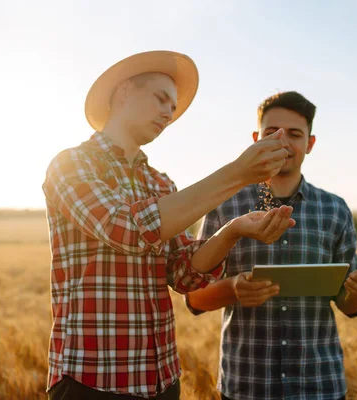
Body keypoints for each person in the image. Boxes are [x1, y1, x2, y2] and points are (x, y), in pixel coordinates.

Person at [42, 50, 296, 400]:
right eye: (161, 99)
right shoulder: (71, 164)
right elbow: (126, 229)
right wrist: (237, 174)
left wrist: (232, 230)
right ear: (124, 92)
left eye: (173, 109)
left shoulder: (162, 184)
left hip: (162, 379)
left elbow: (184, 274)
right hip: (91, 378)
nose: (168, 114)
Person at [185, 91, 357, 400]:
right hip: (247, 384)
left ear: (310, 144)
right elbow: (194, 297)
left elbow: (347, 305)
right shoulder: (223, 205)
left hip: (319, 384)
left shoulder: (335, 209)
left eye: (294, 133)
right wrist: (233, 288)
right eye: (271, 132)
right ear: (255, 139)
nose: (283, 140)